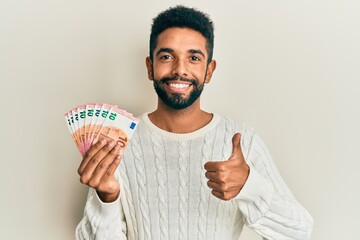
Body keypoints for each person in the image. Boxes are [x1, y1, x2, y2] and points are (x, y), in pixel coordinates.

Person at [75, 5, 313, 240]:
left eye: (194, 58)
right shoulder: (118, 141)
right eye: (167, 56)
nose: (180, 70)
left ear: (209, 70)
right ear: (150, 67)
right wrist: (106, 198)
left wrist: (249, 186)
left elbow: (300, 233)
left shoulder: (242, 141)